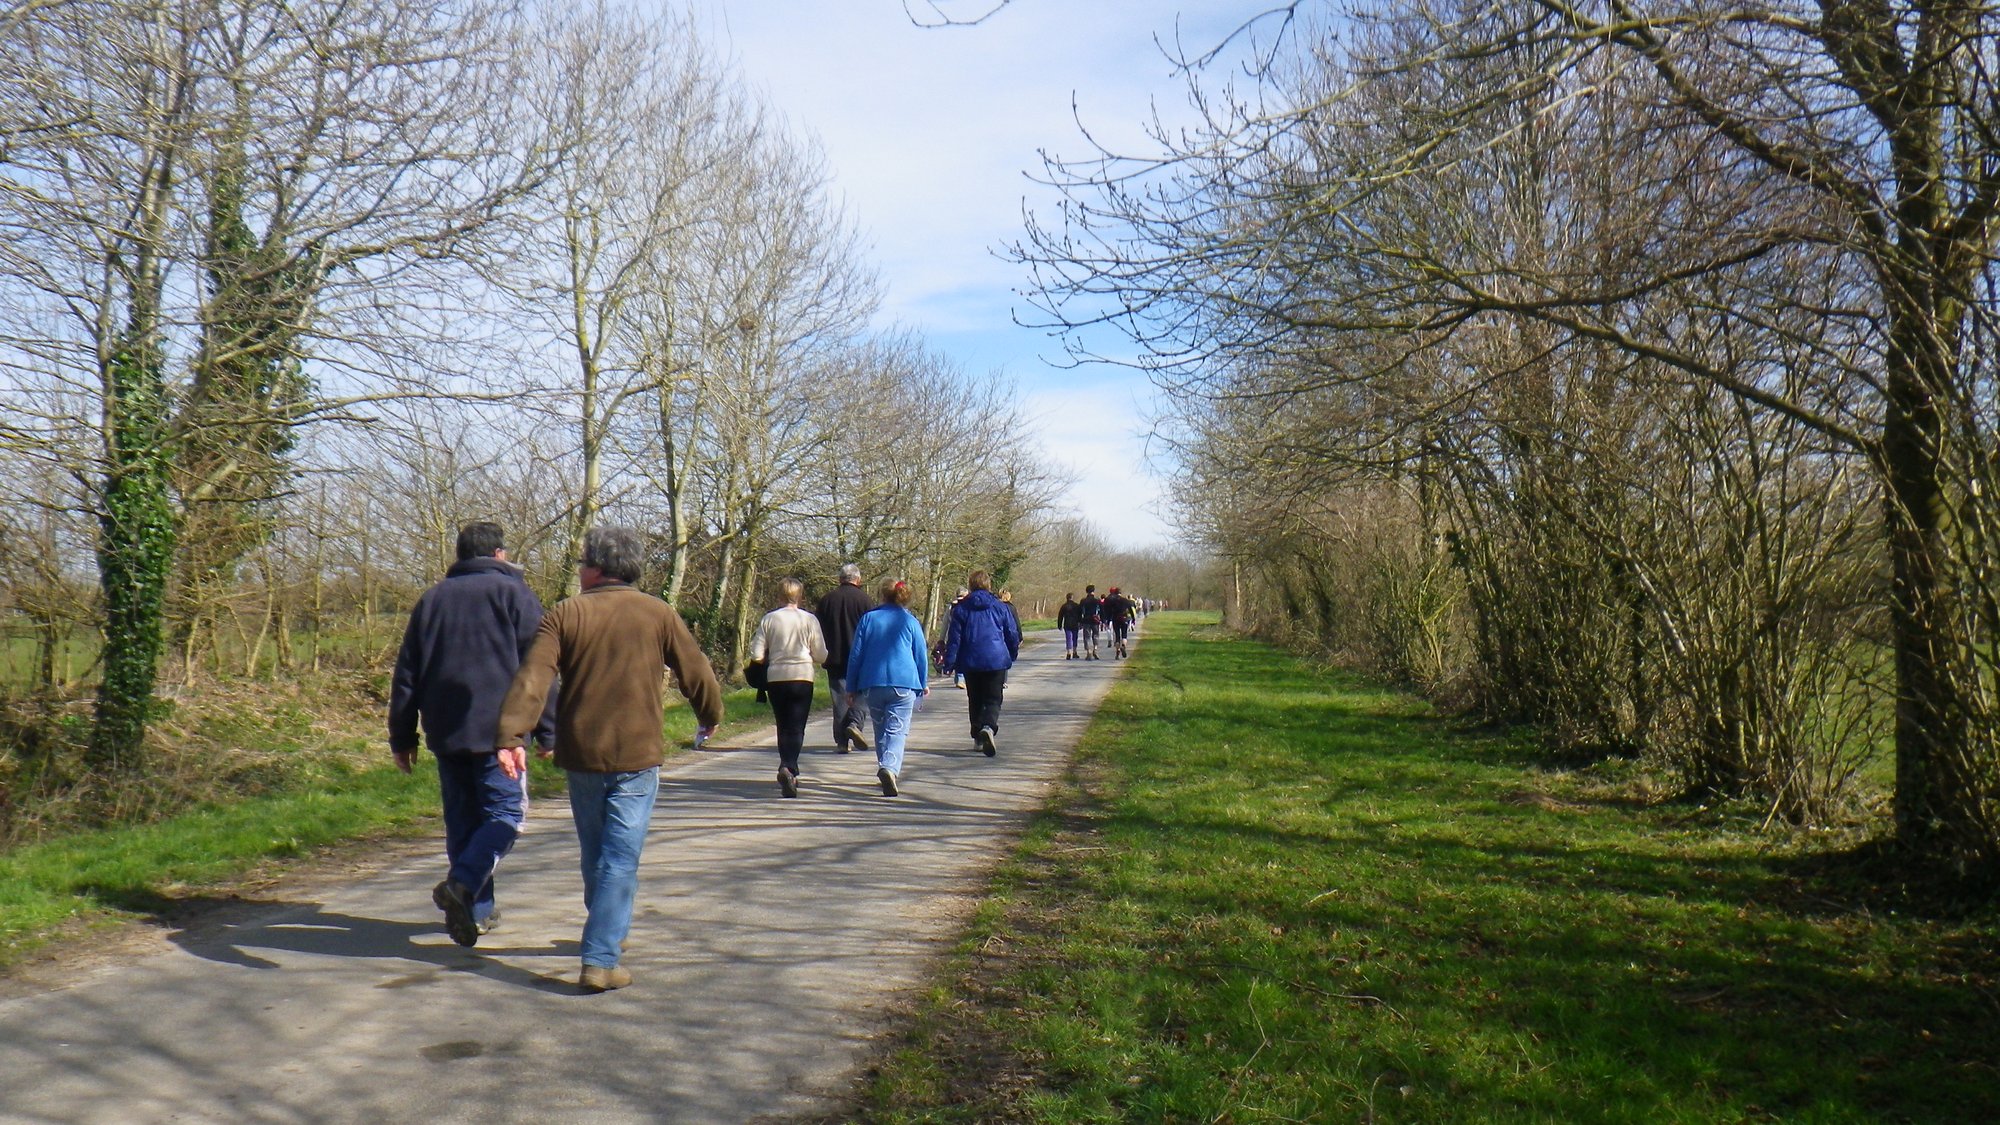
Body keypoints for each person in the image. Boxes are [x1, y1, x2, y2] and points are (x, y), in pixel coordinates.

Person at [496, 525, 724, 993]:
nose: (579, 570)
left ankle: (605, 932)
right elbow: (695, 668)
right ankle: (600, 956)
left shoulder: (565, 614)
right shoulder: (657, 613)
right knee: (620, 856)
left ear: (598, 568)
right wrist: (710, 714)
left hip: (582, 752)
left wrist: (511, 734)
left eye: (583, 563)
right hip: (638, 753)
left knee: (597, 853)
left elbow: (533, 678)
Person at [389, 520, 555, 949]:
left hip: (446, 729)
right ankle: (462, 885)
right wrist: (549, 731)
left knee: (463, 823)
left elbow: (407, 674)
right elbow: (539, 669)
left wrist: (402, 735)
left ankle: (477, 911)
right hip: (502, 734)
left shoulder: (431, 601)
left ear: (460, 556)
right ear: (499, 554)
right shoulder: (514, 594)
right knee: (506, 817)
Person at [843, 578, 930, 796]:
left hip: (873, 683)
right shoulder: (909, 621)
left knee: (881, 729)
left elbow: (856, 655)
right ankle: (889, 767)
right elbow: (920, 655)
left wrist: (851, 686)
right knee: (897, 730)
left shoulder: (868, 619)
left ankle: (885, 765)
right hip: (904, 684)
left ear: (882, 594)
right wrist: (922, 683)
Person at [749, 577, 827, 798]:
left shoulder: (769, 619)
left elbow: (756, 654)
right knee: (797, 726)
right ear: (799, 595)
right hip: (802, 677)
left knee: (782, 725)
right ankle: (789, 766)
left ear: (779, 595)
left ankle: (787, 766)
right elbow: (821, 655)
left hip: (776, 678)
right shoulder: (809, 620)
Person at [941, 570, 1021, 758]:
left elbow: (955, 639)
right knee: (993, 698)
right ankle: (988, 726)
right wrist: (1012, 653)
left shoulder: (961, 609)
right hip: (996, 660)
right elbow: (1012, 633)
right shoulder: (1001, 607)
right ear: (988, 585)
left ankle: (977, 736)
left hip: (971, 660)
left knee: (975, 698)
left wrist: (949, 662)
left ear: (970, 585)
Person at [814, 563, 872, 754]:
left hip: (834, 656)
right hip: (861, 657)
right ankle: (855, 723)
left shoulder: (826, 600)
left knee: (839, 698)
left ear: (840, 579)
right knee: (863, 691)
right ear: (858, 579)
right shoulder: (865, 601)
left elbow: (818, 630)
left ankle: (841, 741)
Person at [1102, 586, 1136, 659]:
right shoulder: (1126, 600)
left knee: (1117, 636)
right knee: (1124, 635)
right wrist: (1133, 619)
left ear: (1115, 592)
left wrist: (1108, 619)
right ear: (1121, 592)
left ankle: (1117, 651)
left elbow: (1109, 611)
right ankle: (1123, 646)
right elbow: (1131, 610)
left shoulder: (1112, 601)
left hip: (1115, 619)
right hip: (1124, 618)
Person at [1077, 585, 1103, 660]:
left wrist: (1079, 620)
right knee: (1096, 635)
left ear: (1086, 591)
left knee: (1087, 637)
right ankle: (1095, 649)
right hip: (1095, 620)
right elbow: (1101, 610)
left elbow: (1080, 611)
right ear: (1093, 591)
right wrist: (1103, 620)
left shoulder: (1083, 601)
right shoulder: (1097, 600)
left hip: (1086, 620)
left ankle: (1088, 652)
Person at [1056, 592, 1082, 659]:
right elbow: (1080, 615)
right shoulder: (1076, 605)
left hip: (1067, 624)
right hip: (1075, 624)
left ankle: (1068, 653)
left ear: (1066, 598)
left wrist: (1059, 625)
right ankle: (1075, 652)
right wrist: (1080, 623)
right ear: (1072, 598)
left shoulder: (1064, 606)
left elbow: (1060, 616)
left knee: (1068, 638)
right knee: (1074, 638)